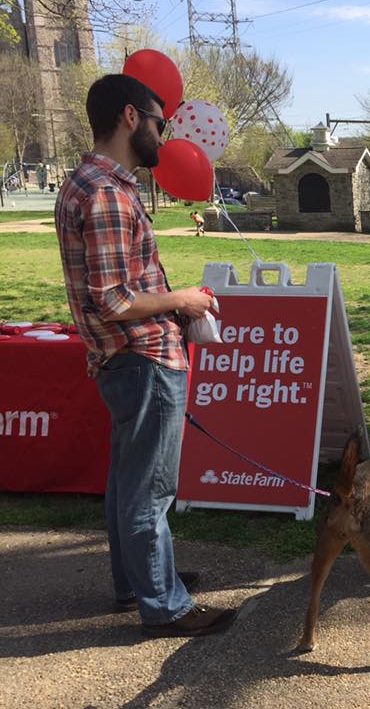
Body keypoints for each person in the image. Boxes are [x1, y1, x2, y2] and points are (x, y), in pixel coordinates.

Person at [54, 74, 237, 637]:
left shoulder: (85, 183)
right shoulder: (107, 192)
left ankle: (137, 584)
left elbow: (112, 290)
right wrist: (182, 298)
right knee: (150, 490)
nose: (165, 135)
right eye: (159, 122)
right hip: (143, 358)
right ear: (131, 118)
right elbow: (114, 300)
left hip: (121, 359)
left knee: (126, 482)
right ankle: (166, 607)